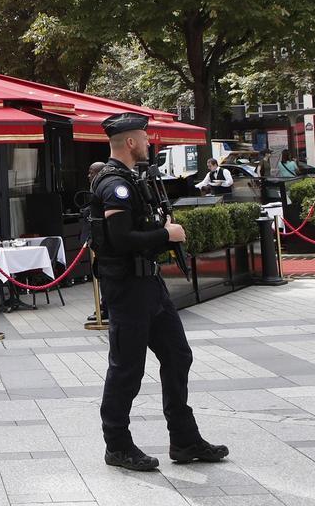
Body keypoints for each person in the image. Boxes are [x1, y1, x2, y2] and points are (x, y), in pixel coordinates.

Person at [90, 113, 228, 472]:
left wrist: (159, 229)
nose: (150, 144)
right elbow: (120, 239)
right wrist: (168, 235)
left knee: (178, 355)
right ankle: (116, 445)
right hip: (127, 289)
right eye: (145, 138)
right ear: (131, 142)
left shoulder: (133, 181)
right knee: (127, 369)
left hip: (150, 285)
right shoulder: (113, 185)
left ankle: (184, 439)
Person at [82, 161, 108, 323]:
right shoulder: (95, 189)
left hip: (105, 241)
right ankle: (104, 306)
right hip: (97, 239)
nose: (89, 175)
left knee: (106, 276)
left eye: (92, 172)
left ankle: (106, 308)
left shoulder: (104, 188)